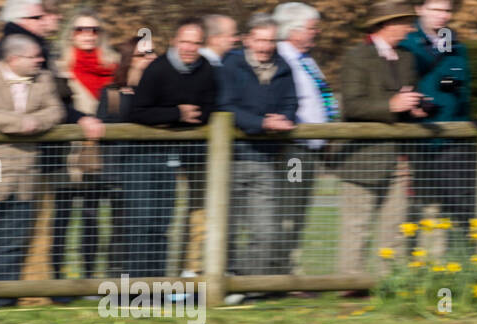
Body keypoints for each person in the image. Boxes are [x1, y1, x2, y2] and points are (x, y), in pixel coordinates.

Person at [336, 1, 426, 285]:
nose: (410, 29)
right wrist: (392, 104)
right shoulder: (356, 57)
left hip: (399, 158)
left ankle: (390, 285)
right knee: (356, 227)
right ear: (387, 24)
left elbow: (406, 99)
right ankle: (350, 287)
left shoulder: (407, 58)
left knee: (395, 228)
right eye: (405, 23)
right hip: (362, 158)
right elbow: (351, 106)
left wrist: (416, 108)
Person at [0, 34, 64, 307]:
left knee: (14, 239)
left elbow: (56, 111)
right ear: (14, 59)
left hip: (27, 172)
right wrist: (18, 123)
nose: (41, 60)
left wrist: (35, 121)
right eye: (35, 56)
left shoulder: (44, 78)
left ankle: (2, 300)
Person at [125, 17, 218, 277]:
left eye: (196, 43)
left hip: (183, 155)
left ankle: (163, 282)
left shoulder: (207, 69)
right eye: (185, 42)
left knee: (165, 223)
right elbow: (138, 112)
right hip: (148, 157)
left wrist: (189, 117)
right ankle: (136, 284)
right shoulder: (158, 70)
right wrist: (176, 113)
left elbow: (211, 107)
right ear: (175, 42)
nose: (190, 48)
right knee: (144, 222)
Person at [220, 12, 297, 291]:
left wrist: (285, 119)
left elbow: (291, 102)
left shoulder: (283, 67)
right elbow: (225, 106)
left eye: (271, 41)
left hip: (265, 159)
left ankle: (247, 285)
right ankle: (221, 284)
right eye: (260, 40)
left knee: (265, 230)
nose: (265, 47)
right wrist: (261, 122)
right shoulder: (229, 66)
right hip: (230, 159)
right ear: (247, 40)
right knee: (223, 228)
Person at [49, 9, 117, 283]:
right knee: (62, 217)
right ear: (71, 34)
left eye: (93, 30)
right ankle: (58, 280)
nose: (87, 35)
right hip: (66, 153)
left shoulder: (113, 66)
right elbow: (56, 106)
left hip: (103, 151)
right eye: (80, 29)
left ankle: (89, 279)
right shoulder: (59, 67)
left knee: (93, 217)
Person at [400, 0, 471, 257]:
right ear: (420, 9)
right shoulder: (405, 43)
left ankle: (440, 265)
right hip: (415, 138)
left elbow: (459, 86)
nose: (442, 16)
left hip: (451, 140)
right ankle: (408, 265)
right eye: (436, 9)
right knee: (412, 207)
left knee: (447, 208)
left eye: (447, 10)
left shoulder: (457, 47)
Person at [274, 2, 332, 278]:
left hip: (313, 149)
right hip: (293, 150)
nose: (315, 33)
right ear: (293, 30)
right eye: (311, 28)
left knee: (300, 210)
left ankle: (291, 269)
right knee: (289, 207)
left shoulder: (307, 60)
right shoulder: (282, 60)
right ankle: (282, 271)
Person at [96, 35, 155, 276]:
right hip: (120, 172)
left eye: (153, 53)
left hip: (152, 169)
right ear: (129, 59)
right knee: (122, 227)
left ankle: (148, 276)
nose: (151, 58)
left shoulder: (159, 91)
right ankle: (117, 276)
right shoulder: (111, 93)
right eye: (144, 55)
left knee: (151, 225)